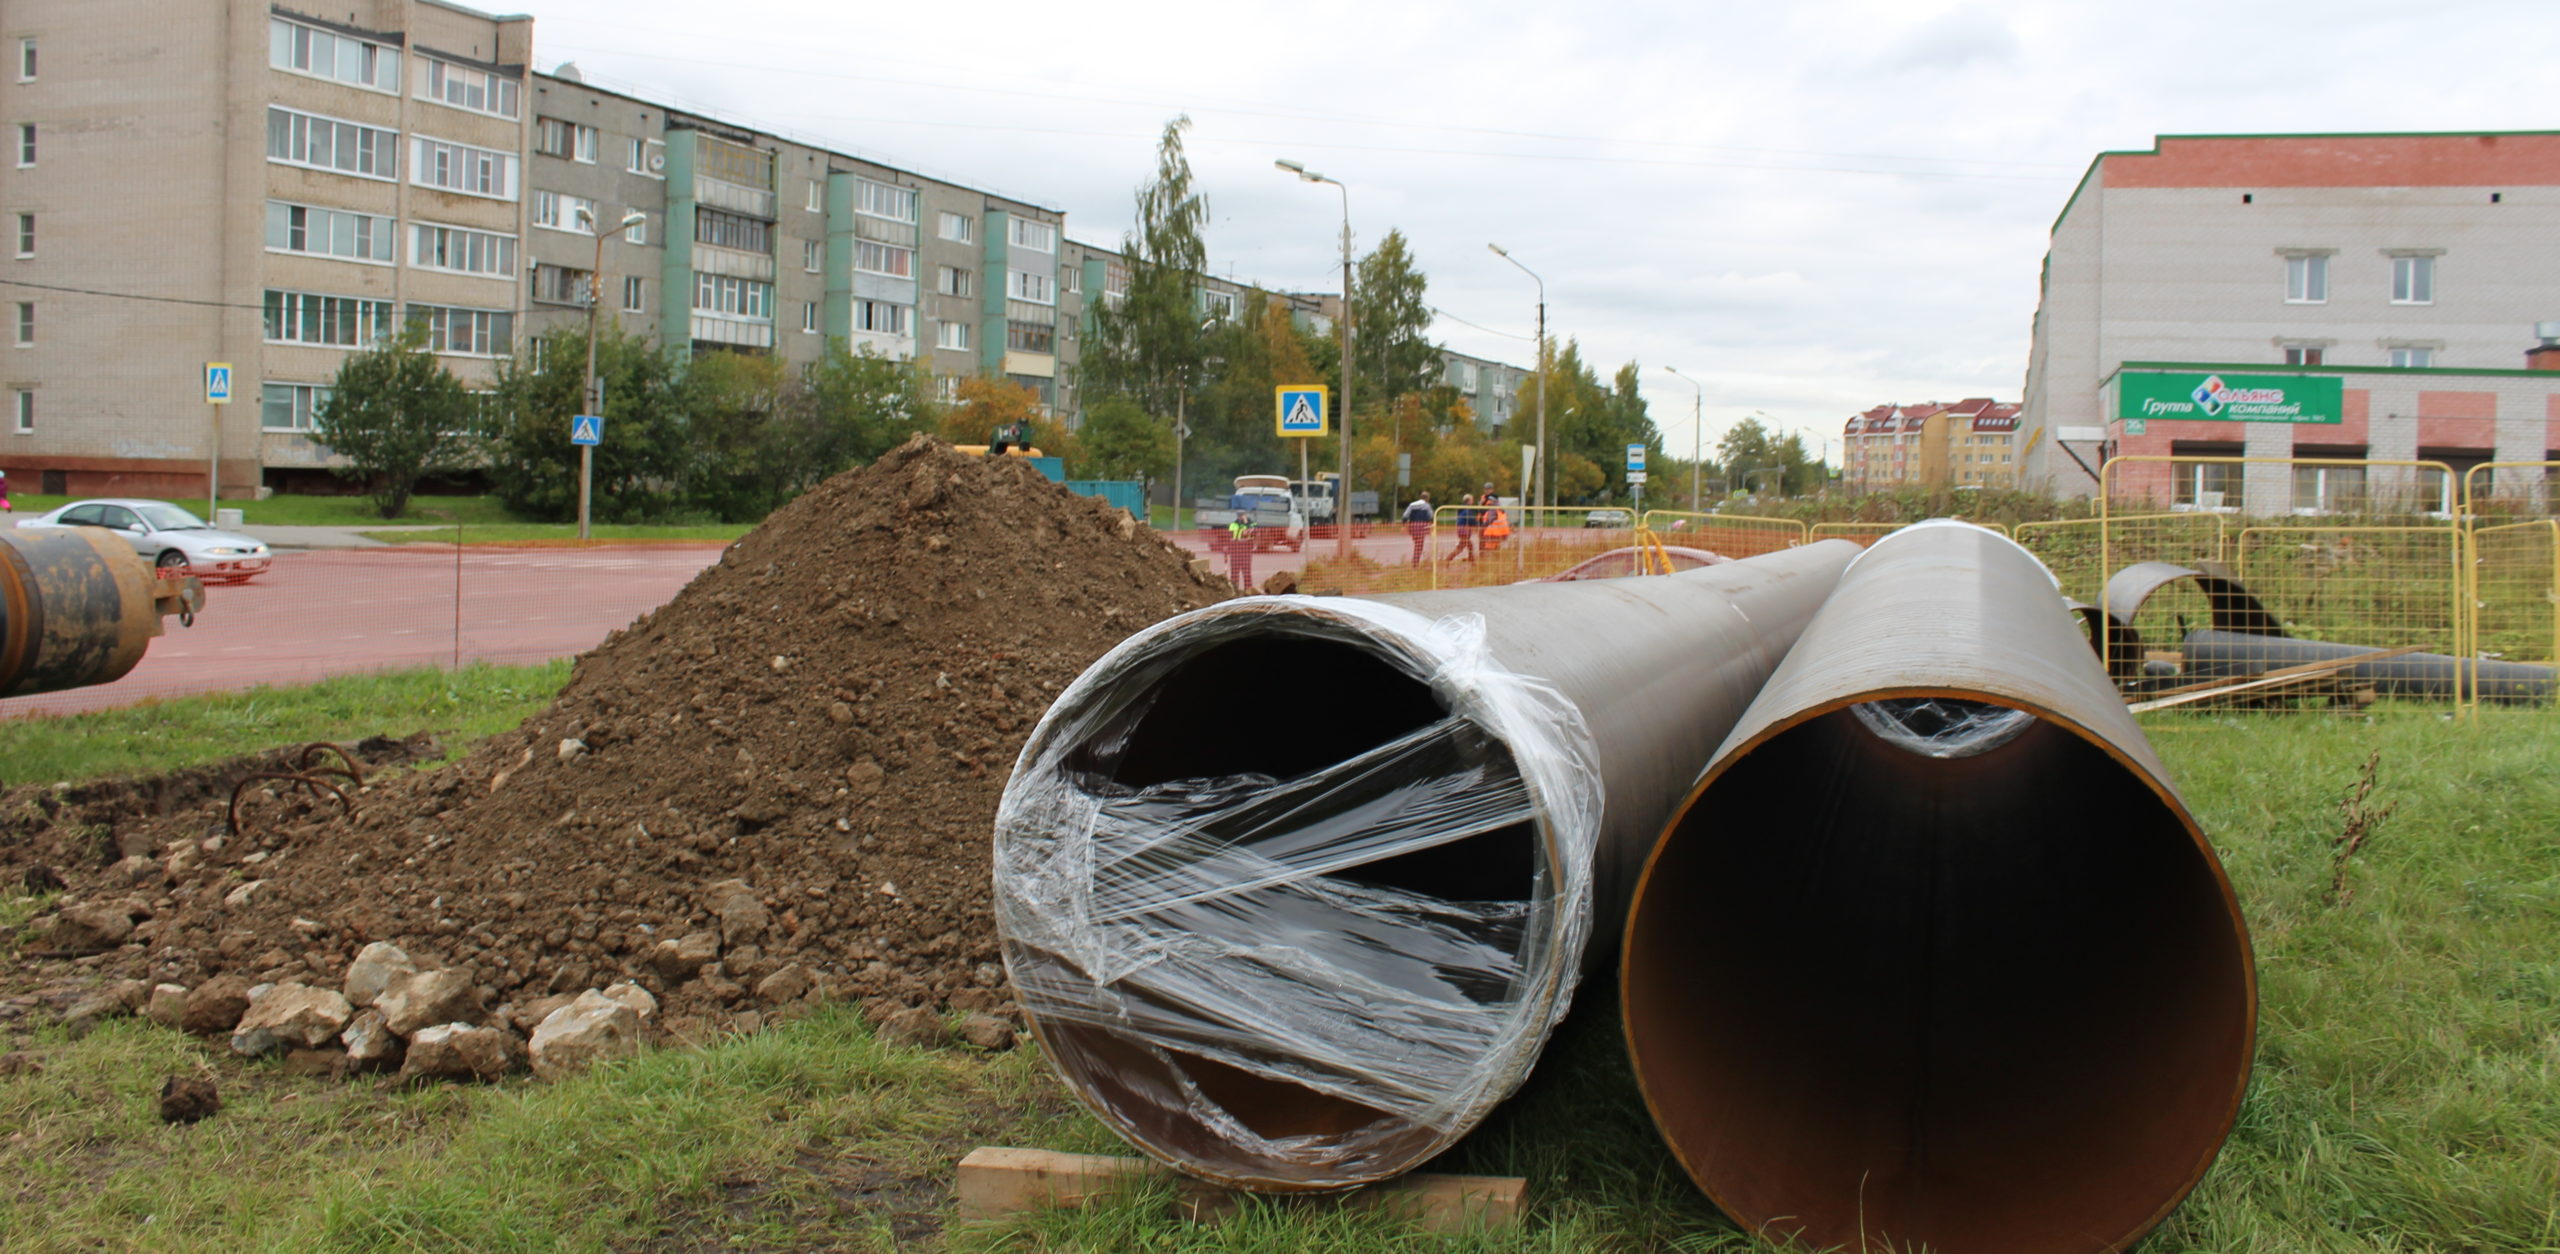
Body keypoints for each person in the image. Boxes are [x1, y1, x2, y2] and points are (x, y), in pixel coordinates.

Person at [1401, 491, 1433, 566]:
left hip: (1412, 526)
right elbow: (1430, 515)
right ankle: (1415, 562)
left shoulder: (1412, 504)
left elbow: (1405, 515)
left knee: (1417, 543)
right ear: (1427, 498)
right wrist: (1431, 522)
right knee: (1419, 545)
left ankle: (1415, 560)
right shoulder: (1427, 505)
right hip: (1422, 526)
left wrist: (1403, 524)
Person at [1226, 511, 1254, 590]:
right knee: (1234, 573)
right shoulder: (1233, 524)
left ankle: (1248, 590)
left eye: (1242, 515)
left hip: (1246, 551)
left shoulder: (1250, 524)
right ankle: (1234, 590)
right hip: (1235, 551)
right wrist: (1227, 546)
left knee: (1247, 573)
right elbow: (1229, 536)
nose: (1240, 517)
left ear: (1245, 515)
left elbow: (1252, 533)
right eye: (1239, 515)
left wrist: (1246, 523)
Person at [1450, 493, 1479, 563]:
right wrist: (1477, 523)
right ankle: (1448, 559)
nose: (1473, 501)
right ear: (1468, 501)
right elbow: (1471, 520)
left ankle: (1472, 560)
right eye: (1472, 500)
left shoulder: (1463, 509)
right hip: (1464, 531)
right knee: (1461, 548)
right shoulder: (1467, 509)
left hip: (1462, 530)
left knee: (1469, 546)